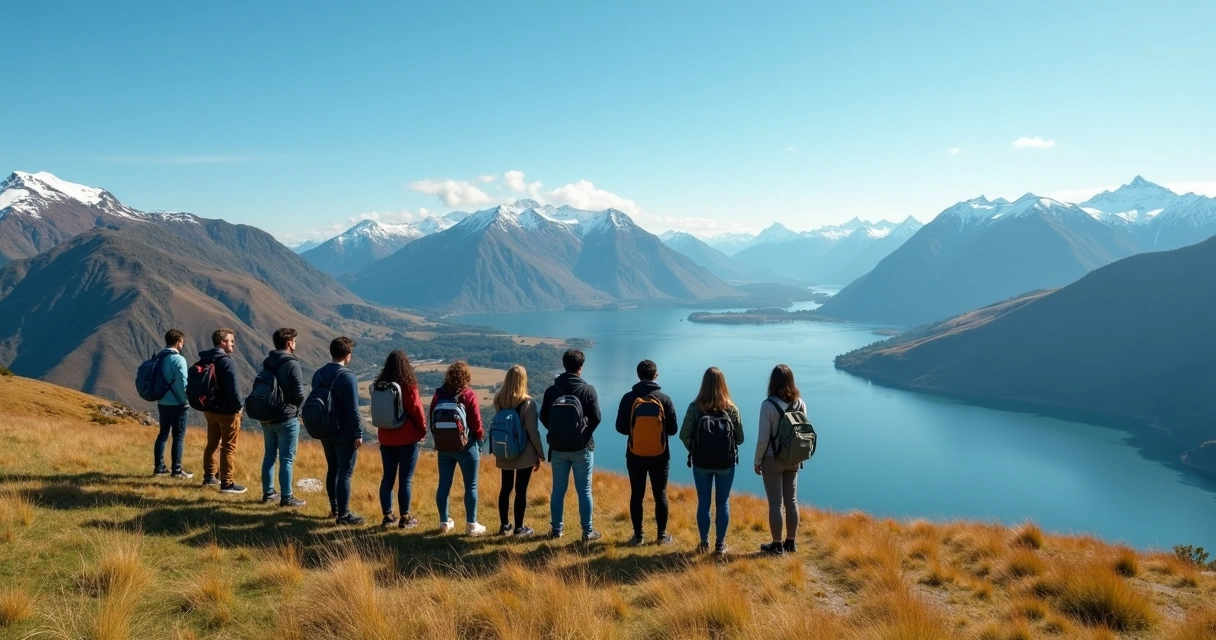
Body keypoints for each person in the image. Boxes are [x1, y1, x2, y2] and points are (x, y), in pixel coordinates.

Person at [540, 349, 603, 543]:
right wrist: (583, 437)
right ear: (580, 368)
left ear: (564, 365)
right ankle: (587, 531)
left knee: (558, 489)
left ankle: (557, 530)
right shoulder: (588, 390)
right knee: (584, 490)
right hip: (581, 448)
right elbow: (596, 418)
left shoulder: (552, 391)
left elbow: (544, 417)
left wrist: (556, 432)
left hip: (558, 448)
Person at [680, 367, 745, 555]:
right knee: (723, 502)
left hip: (701, 463)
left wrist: (695, 449)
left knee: (704, 503)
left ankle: (703, 543)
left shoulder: (695, 407)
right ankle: (720, 544)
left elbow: (684, 435)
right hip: (726, 463)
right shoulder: (732, 409)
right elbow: (740, 439)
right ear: (723, 384)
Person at [614, 359, 678, 546]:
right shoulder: (664, 399)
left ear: (638, 375)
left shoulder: (628, 398)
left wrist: (637, 431)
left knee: (637, 494)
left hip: (635, 454)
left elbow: (620, 427)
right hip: (660, 454)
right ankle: (662, 536)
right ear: (655, 375)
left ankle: (638, 536)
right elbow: (673, 430)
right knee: (661, 494)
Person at [430, 361, 487, 536]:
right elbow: (476, 423)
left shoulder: (438, 395)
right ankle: (471, 524)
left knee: (444, 485)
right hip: (466, 446)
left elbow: (432, 420)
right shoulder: (468, 395)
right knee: (471, 485)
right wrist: (479, 439)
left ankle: (444, 522)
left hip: (444, 447)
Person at [754, 364, 804, 555]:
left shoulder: (768, 405)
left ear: (772, 381)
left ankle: (776, 545)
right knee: (791, 501)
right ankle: (791, 543)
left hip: (772, 459)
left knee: (776, 503)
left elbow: (763, 438)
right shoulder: (800, 403)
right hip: (793, 458)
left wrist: (757, 460)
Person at [314, 336, 365, 525]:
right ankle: (344, 515)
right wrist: (358, 433)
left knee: (333, 469)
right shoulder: (348, 376)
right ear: (348, 356)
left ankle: (334, 508)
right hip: (344, 433)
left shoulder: (318, 374)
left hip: (325, 430)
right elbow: (352, 410)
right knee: (345, 472)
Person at [375, 350, 427, 529]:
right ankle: (405, 518)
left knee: (387, 477)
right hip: (407, 438)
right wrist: (423, 429)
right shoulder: (407, 384)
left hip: (386, 437)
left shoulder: (380, 384)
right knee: (405, 480)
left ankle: (388, 516)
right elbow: (416, 410)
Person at [492, 365, 545, 538]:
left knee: (505, 488)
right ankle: (519, 528)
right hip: (524, 452)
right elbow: (532, 431)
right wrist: (540, 453)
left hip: (505, 449)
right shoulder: (528, 402)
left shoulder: (499, 399)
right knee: (521, 490)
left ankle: (504, 525)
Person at [258, 328, 306, 508]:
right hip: (286, 417)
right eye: (294, 340)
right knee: (286, 458)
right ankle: (287, 497)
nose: (295, 343)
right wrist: (295, 407)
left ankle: (268, 493)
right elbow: (299, 393)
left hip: (267, 416)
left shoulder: (268, 361)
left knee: (269, 455)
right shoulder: (292, 364)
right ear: (289, 343)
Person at [201, 328, 245, 494]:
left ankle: (209, 476)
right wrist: (239, 407)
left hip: (209, 409)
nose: (233, 343)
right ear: (223, 342)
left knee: (212, 444)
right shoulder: (228, 361)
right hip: (227, 411)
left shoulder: (206, 358)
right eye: (231, 341)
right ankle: (227, 483)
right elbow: (234, 389)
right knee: (228, 447)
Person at [153, 329, 193, 479]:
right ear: (178, 342)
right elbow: (183, 383)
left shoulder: (159, 358)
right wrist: (185, 400)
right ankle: (176, 470)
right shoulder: (178, 359)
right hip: (177, 403)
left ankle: (159, 468)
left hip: (162, 401)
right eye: (182, 342)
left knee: (163, 434)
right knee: (178, 437)